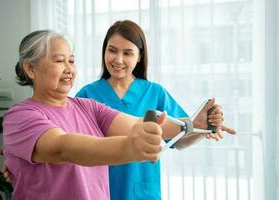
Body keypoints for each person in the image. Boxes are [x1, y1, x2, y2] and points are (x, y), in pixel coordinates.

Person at [3, 30, 229, 200]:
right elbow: (62, 147)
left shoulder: (88, 106)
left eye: (71, 60)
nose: (69, 68)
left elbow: (136, 125)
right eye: (60, 61)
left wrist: (194, 123)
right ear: (30, 69)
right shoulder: (20, 116)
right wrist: (130, 148)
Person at [75, 20, 236, 200]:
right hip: (99, 190)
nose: (118, 59)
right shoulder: (86, 95)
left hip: (143, 192)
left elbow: (179, 140)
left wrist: (203, 127)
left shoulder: (155, 93)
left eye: (127, 53)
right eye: (112, 50)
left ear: (140, 56)